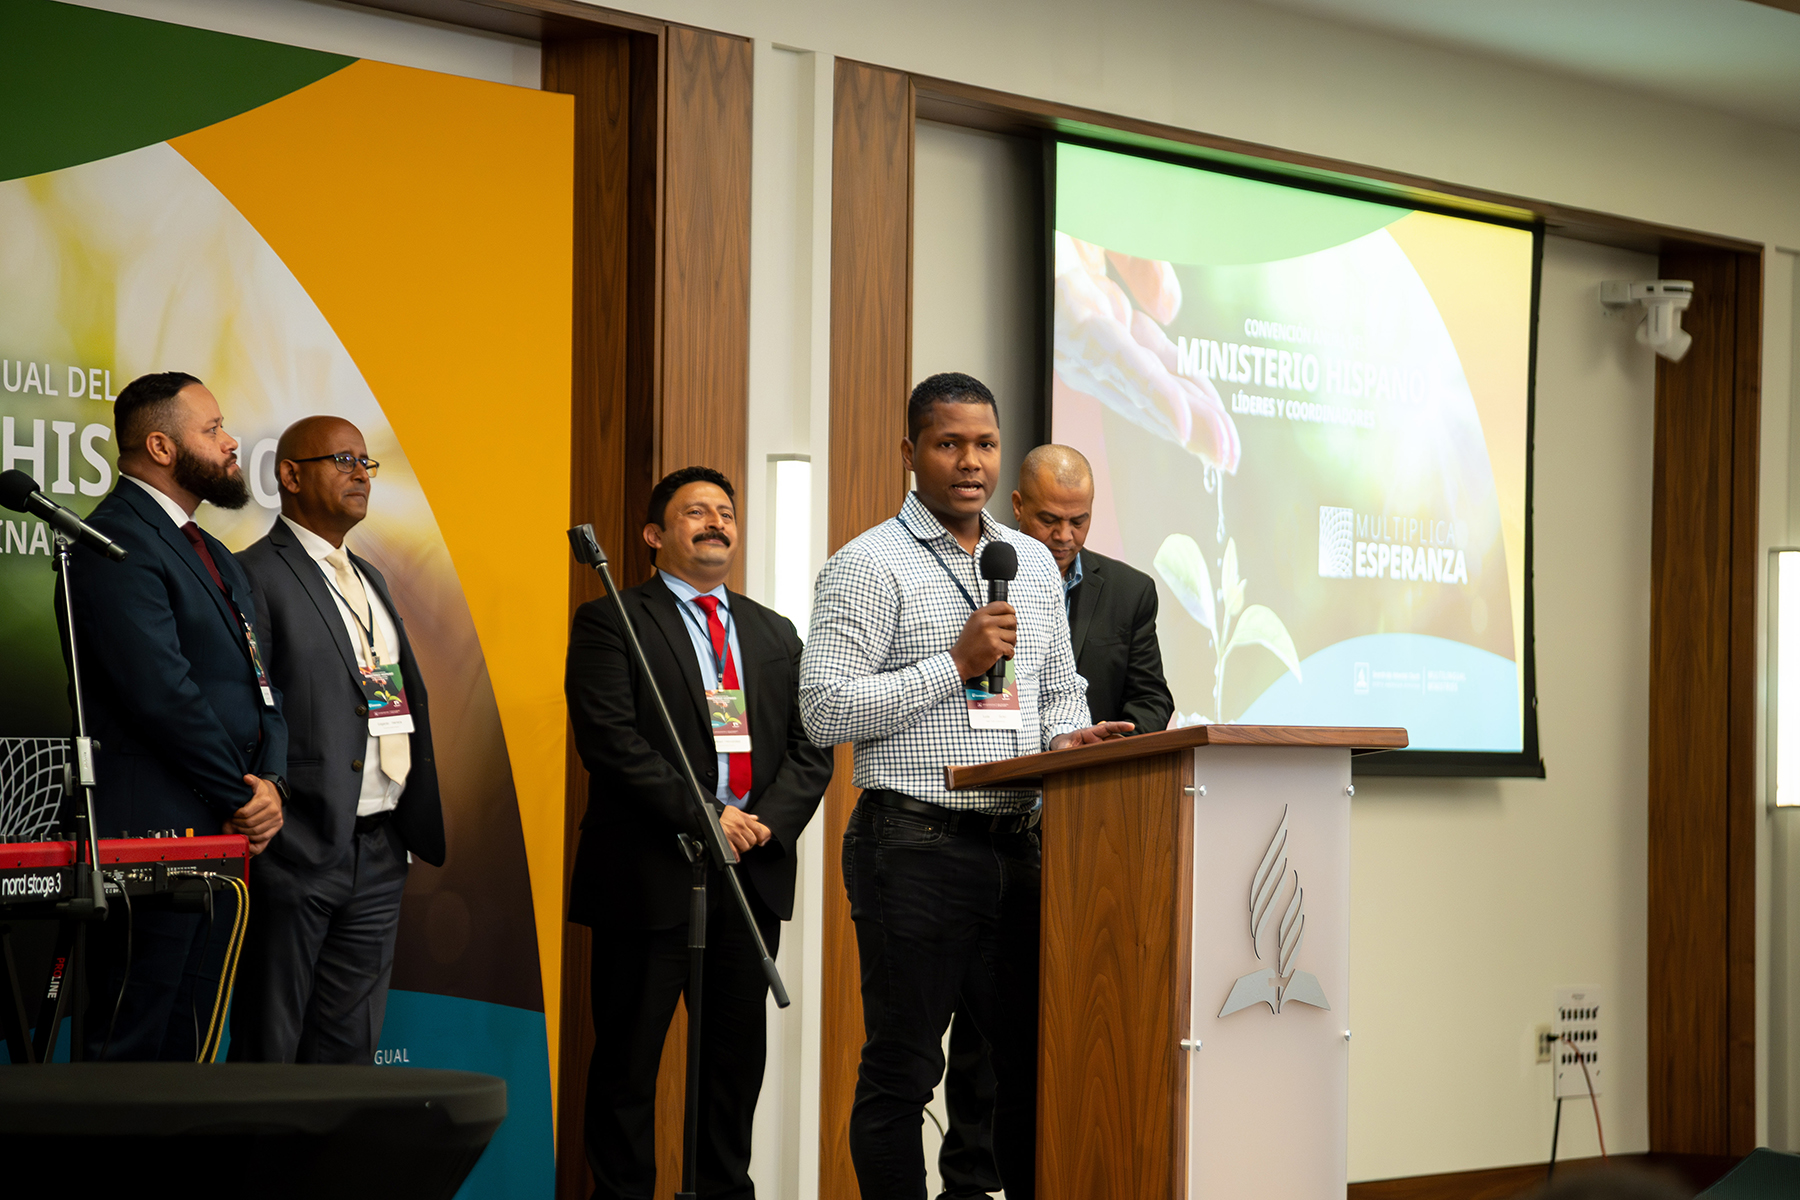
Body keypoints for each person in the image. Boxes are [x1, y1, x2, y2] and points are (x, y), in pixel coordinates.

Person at [799, 372, 1131, 1200]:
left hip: (1019, 847)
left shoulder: (1030, 567)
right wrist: (954, 664)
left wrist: (1070, 737)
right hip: (914, 846)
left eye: (985, 444)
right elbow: (822, 709)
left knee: (1028, 1068)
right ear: (912, 453)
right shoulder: (867, 565)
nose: (972, 462)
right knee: (903, 1074)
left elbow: (1058, 691)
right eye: (950, 444)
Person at [566, 466, 834, 1200]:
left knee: (733, 1066)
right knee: (628, 1067)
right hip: (651, 872)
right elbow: (612, 742)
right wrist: (707, 815)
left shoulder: (773, 631)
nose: (716, 522)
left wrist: (762, 826)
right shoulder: (612, 619)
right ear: (654, 537)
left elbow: (814, 747)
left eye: (725, 511)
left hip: (750, 877)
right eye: (695, 513)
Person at [936, 441, 1177, 1199]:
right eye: (1050, 519)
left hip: (1091, 833)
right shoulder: (976, 571)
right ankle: (970, 1183)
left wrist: (1094, 747)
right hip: (994, 822)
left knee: (1057, 1023)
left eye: (1079, 520)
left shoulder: (1130, 590)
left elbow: (1150, 701)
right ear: (1017, 508)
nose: (1065, 536)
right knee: (980, 1036)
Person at [59, 370, 287, 1061]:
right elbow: (162, 693)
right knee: (132, 1046)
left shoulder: (211, 551)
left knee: (190, 1047)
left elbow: (260, 684)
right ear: (161, 446)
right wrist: (239, 796)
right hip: (150, 837)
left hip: (221, 842)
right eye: (213, 429)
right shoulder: (113, 543)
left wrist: (271, 781)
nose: (231, 442)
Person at [228, 416, 445, 1063]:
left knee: (349, 1055)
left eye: (366, 462)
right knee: (272, 1047)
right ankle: (261, 1170)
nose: (361, 473)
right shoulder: (254, 574)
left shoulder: (370, 577)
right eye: (342, 459)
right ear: (290, 476)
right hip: (298, 847)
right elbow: (247, 710)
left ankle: (328, 1170)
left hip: (381, 850)